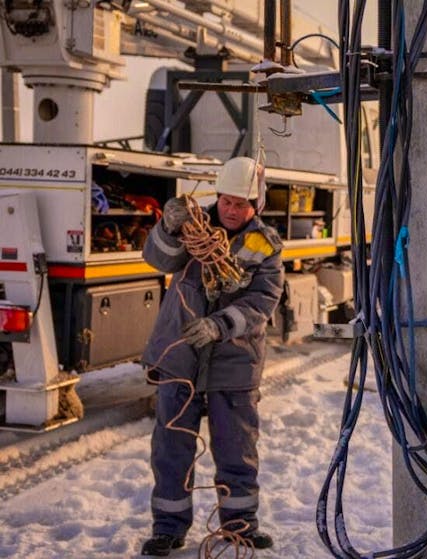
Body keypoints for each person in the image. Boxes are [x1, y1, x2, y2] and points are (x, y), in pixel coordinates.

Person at [139, 157, 284, 556]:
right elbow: (158, 259)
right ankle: (168, 529)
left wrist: (219, 325)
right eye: (226, 201)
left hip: (234, 364)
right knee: (171, 449)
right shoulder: (191, 227)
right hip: (180, 361)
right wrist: (168, 227)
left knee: (237, 448)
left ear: (257, 204)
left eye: (242, 204)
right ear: (217, 196)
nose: (232, 210)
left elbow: (262, 300)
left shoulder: (264, 245)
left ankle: (240, 525)